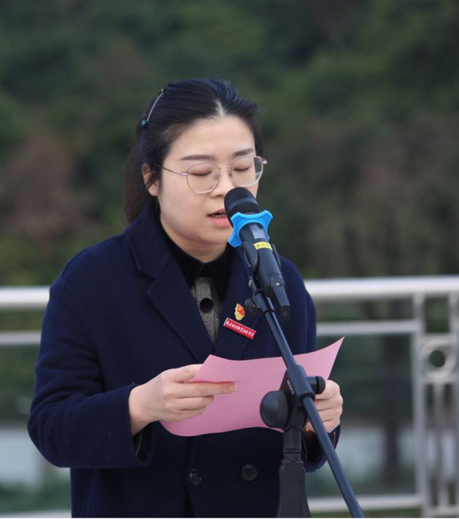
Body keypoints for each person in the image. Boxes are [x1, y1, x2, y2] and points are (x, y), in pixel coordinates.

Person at [27, 78, 342, 517]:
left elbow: (305, 444)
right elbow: (51, 428)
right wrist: (140, 406)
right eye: (201, 173)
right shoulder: (92, 280)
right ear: (151, 178)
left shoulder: (279, 276)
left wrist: (317, 421)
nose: (227, 189)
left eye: (243, 168)